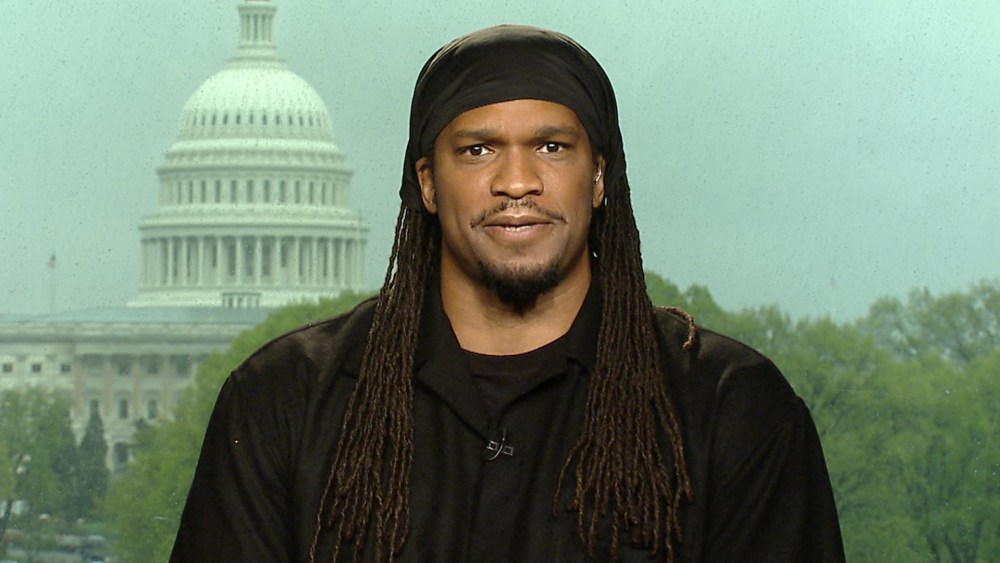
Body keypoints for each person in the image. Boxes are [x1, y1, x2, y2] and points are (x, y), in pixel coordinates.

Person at [171, 25, 844, 562]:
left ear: (599, 176)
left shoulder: (731, 408)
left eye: (551, 147)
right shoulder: (283, 400)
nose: (517, 181)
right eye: (478, 151)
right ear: (427, 183)